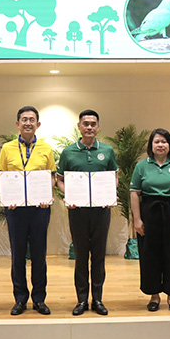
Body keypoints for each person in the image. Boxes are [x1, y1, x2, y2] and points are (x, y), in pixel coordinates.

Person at [56, 110, 118, 316]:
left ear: (98, 127)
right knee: (81, 256)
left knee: (99, 256)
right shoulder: (68, 152)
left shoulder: (107, 151)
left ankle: (97, 299)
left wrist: (110, 195)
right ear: (79, 127)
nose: (89, 127)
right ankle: (81, 300)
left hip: (101, 211)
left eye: (93, 124)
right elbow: (60, 180)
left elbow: (114, 177)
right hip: (78, 211)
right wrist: (68, 195)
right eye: (86, 124)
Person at [0, 106, 56, 315]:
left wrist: (47, 195)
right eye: (24, 119)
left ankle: (39, 299)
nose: (28, 123)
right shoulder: (7, 148)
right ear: (17, 124)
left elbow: (51, 176)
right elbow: (0, 176)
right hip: (16, 210)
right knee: (18, 254)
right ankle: (20, 299)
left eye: (32, 120)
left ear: (38, 124)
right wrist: (8, 197)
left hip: (39, 209)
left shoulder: (46, 148)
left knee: (39, 255)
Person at [130, 128, 170, 313]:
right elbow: (134, 193)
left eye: (164, 141)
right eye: (156, 141)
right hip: (149, 212)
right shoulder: (142, 166)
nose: (160, 145)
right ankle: (154, 295)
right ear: (151, 145)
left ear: (169, 145)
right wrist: (137, 219)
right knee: (150, 254)